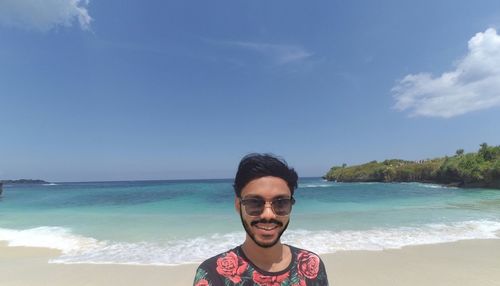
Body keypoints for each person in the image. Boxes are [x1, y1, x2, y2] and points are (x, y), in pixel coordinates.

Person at [193, 153, 329, 286]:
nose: (268, 214)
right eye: (255, 203)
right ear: (237, 205)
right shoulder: (212, 275)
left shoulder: (311, 266)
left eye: (280, 203)